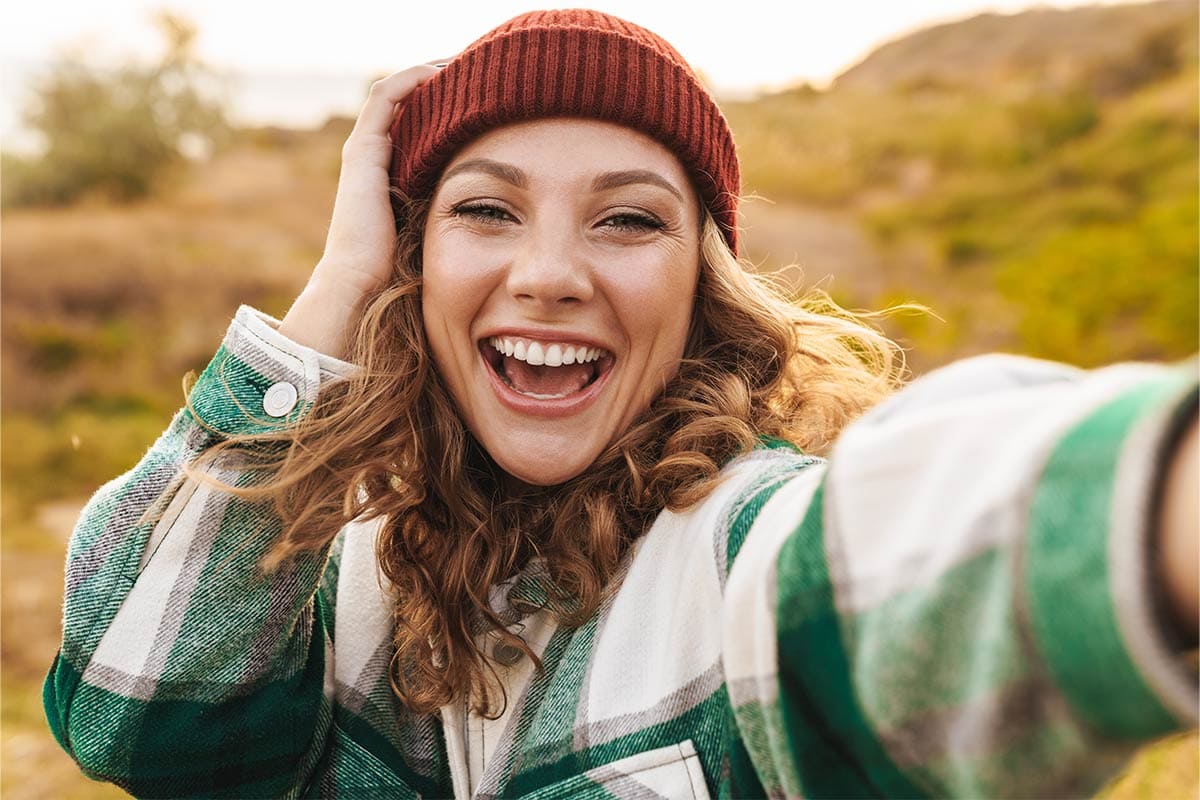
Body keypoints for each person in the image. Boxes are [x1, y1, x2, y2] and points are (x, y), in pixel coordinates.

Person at [45, 9, 1197, 799]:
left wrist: (1156, 495)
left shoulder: (736, 549)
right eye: (486, 210)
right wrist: (334, 291)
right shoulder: (339, 568)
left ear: (704, 280)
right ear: (412, 259)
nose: (549, 271)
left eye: (629, 218)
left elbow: (898, 571)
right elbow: (131, 709)